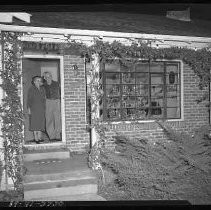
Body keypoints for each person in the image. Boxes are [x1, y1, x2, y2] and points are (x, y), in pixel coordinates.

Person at [43, 72, 62, 141]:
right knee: (49, 119)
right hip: (48, 101)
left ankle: (57, 135)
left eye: (50, 76)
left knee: (57, 118)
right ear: (44, 78)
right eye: (47, 77)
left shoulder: (57, 84)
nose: (49, 78)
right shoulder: (43, 85)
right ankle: (51, 136)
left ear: (51, 76)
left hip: (57, 101)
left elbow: (61, 92)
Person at [27, 76, 46, 144]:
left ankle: (40, 137)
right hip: (34, 108)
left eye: (40, 80)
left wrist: (45, 108)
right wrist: (28, 108)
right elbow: (29, 100)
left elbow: (44, 99)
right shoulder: (31, 89)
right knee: (35, 123)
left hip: (41, 108)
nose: (39, 82)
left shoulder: (43, 89)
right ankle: (36, 138)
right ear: (34, 82)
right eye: (37, 80)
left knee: (41, 122)